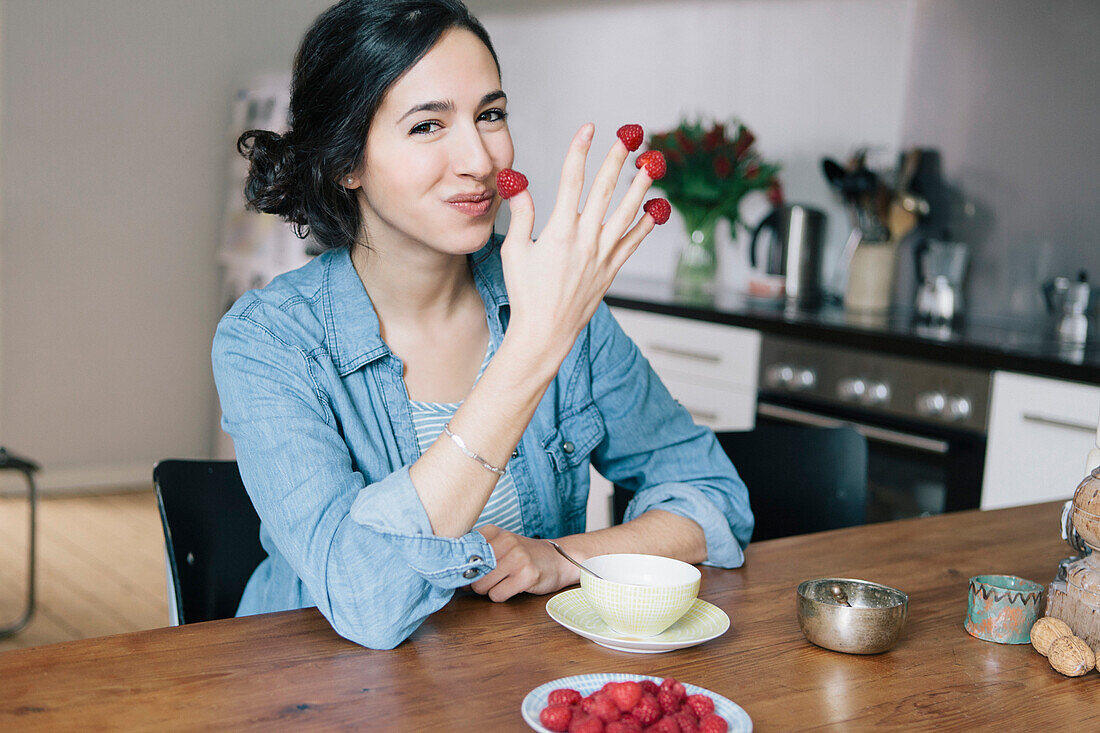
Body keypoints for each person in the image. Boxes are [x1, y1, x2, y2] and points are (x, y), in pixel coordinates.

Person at [212, 0, 753, 650]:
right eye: (427, 126)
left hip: (510, 684)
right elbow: (368, 601)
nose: (479, 157)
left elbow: (712, 498)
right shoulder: (268, 341)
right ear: (345, 163)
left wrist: (563, 556)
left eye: (490, 115)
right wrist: (529, 351)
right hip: (323, 695)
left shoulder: (551, 302)